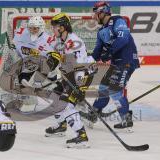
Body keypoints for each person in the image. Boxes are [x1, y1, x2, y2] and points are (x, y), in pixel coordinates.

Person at [81, 1, 140, 129]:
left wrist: (109, 52)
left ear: (103, 12)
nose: (94, 16)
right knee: (103, 88)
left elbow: (123, 39)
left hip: (127, 61)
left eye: (96, 13)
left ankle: (126, 120)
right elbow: (97, 51)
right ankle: (93, 113)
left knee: (114, 90)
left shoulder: (118, 20)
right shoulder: (101, 31)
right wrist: (85, 63)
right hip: (116, 63)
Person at [42, 13, 96, 148]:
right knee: (55, 96)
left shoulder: (74, 42)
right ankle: (61, 125)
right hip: (70, 75)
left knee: (67, 105)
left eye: (54, 27)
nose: (52, 29)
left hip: (81, 76)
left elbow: (80, 67)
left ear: (62, 27)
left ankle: (81, 136)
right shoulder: (61, 41)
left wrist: (80, 88)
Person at [13, 16, 56, 88]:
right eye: (30, 28)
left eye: (35, 28)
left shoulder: (48, 40)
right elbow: (15, 48)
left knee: (49, 72)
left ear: (41, 28)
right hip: (26, 64)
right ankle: (23, 80)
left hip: (40, 65)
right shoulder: (22, 33)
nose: (32, 30)